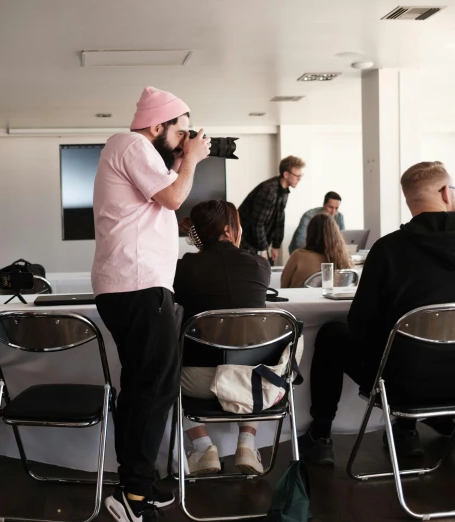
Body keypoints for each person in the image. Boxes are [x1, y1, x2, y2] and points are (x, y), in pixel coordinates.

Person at [298, 161, 455, 466]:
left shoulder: (388, 250)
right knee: (408, 350)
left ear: (410, 201)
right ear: (446, 193)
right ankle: (407, 429)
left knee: (332, 335)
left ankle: (321, 435)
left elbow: (360, 324)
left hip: (403, 384)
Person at [92, 86, 211, 521]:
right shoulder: (131, 143)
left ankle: (135, 485)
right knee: (153, 388)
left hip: (135, 285)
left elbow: (166, 194)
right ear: (157, 126)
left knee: (148, 387)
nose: (185, 140)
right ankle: (133, 495)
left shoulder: (135, 152)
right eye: (181, 132)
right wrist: (192, 159)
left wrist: (183, 158)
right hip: (137, 286)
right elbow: (175, 199)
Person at [173, 200, 271, 476]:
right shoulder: (259, 266)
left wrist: (199, 240)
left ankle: (203, 447)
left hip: (197, 381)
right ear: (229, 229)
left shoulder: (184, 269)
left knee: (157, 361)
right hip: (252, 379)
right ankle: (247, 445)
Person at [238, 156, 305, 263]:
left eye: (301, 176)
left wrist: (276, 245)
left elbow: (279, 219)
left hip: (256, 241)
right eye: (297, 176)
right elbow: (257, 223)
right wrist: (263, 249)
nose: (299, 179)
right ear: (286, 174)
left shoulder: (284, 191)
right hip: (245, 241)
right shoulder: (269, 190)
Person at [281, 214, 353, 288]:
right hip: (331, 299)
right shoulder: (343, 260)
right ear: (336, 234)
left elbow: (283, 286)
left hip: (300, 299)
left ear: (310, 233)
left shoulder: (298, 256)